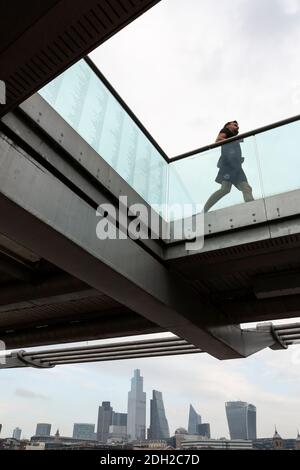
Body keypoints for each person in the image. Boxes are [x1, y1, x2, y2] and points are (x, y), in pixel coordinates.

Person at [204, 120, 254, 212]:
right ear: (228, 125)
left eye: (237, 126)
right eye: (235, 125)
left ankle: (252, 208)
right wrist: (235, 140)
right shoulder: (226, 131)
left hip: (237, 167)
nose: (237, 127)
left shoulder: (233, 136)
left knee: (246, 188)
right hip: (228, 166)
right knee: (225, 189)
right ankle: (204, 210)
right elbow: (218, 140)